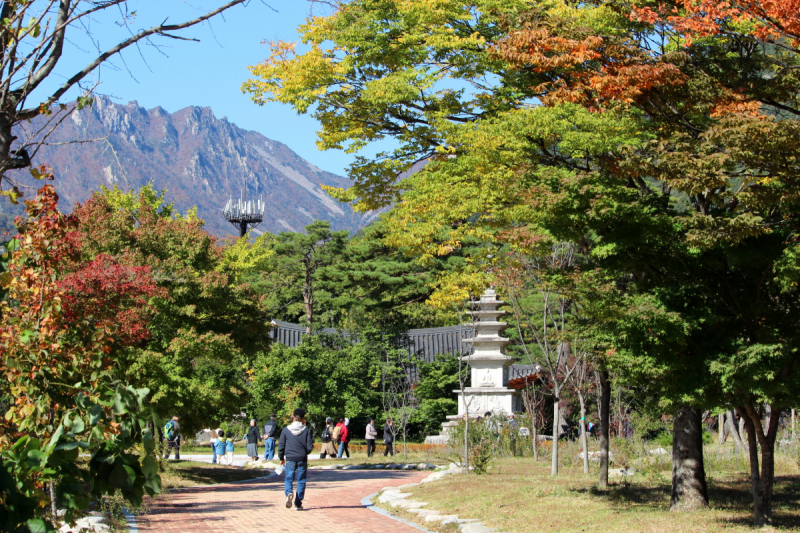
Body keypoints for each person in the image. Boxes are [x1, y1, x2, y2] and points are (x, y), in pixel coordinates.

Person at [278, 408, 314, 511]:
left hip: (290, 458)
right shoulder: (306, 430)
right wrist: (304, 452)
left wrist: (281, 458)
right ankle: (298, 503)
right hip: (302, 458)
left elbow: (281, 445)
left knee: (289, 478)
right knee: (301, 480)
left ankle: (289, 492)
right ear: (303, 419)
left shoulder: (286, 430)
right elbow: (309, 446)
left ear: (292, 416)